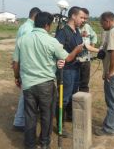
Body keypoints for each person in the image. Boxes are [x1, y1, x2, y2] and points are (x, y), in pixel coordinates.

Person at [13, 11, 83, 149]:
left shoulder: (22, 40)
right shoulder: (52, 41)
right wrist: (76, 50)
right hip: (46, 85)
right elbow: (67, 58)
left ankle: (30, 144)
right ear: (47, 25)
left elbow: (16, 63)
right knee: (46, 115)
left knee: (30, 115)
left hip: (28, 85)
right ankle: (45, 143)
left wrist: (17, 77)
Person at [55, 6, 85, 136]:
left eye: (84, 18)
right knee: (63, 98)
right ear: (73, 16)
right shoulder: (63, 32)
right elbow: (58, 52)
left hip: (76, 68)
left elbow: (80, 46)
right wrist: (75, 51)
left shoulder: (77, 31)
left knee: (72, 96)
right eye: (81, 17)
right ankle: (60, 126)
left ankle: (69, 117)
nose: (83, 20)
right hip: (66, 71)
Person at [13, 7, 41, 131]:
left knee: (26, 94)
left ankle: (20, 120)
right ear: (36, 17)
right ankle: (19, 121)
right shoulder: (28, 29)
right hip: (27, 66)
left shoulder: (23, 26)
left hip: (23, 64)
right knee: (26, 95)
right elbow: (27, 49)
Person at [78, 7, 98, 92]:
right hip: (74, 59)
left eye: (86, 18)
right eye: (82, 18)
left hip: (86, 58)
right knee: (74, 82)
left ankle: (82, 102)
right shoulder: (73, 27)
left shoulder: (88, 27)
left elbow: (94, 36)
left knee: (84, 82)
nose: (84, 20)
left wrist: (91, 48)